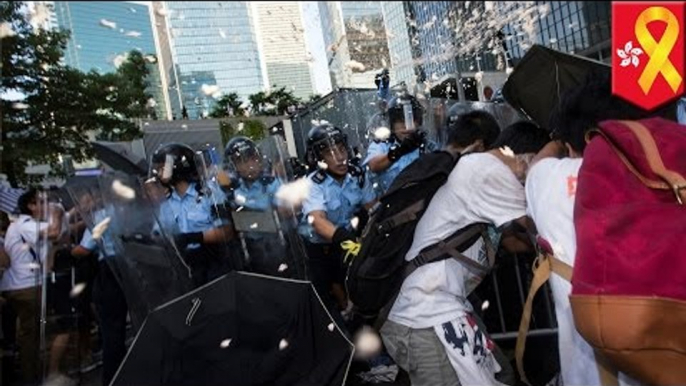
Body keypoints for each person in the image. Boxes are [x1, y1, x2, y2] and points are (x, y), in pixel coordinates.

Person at [381, 121, 549, 386]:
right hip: (423, 315)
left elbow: (513, 242)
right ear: (526, 159)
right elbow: (538, 224)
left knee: (501, 375)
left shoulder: (481, 169)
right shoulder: (490, 171)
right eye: (539, 167)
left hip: (445, 307)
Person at [525, 74, 649, 386]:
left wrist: (560, 134)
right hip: (666, 356)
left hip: (586, 369)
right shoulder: (659, 173)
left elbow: (538, 163)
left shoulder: (548, 179)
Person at [299, 124, 376, 321]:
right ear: (318, 158)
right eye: (331, 153)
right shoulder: (312, 184)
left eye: (341, 149)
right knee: (326, 296)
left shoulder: (357, 175)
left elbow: (372, 208)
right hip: (321, 247)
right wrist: (346, 241)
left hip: (348, 239)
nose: (340, 157)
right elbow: (318, 221)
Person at [150, 143, 236, 288]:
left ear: (178, 165)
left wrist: (194, 237)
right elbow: (157, 234)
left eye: (162, 168)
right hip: (186, 267)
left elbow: (226, 232)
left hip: (216, 263)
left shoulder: (209, 193)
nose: (159, 173)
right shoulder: (167, 204)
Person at [2, 189, 64, 385]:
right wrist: (57, 211)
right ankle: (30, 378)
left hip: (27, 284)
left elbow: (59, 234)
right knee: (30, 336)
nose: (46, 204)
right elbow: (54, 231)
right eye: (41, 202)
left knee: (33, 334)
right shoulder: (25, 225)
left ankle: (31, 373)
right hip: (25, 286)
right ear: (31, 206)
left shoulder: (29, 225)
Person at [71, 191, 126, 386]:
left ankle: (113, 376)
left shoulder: (101, 216)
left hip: (109, 270)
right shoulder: (125, 210)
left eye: (84, 200)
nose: (80, 205)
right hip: (127, 267)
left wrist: (68, 249)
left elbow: (85, 248)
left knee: (112, 327)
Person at [223, 136, 284, 275]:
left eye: (252, 159)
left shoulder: (271, 183)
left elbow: (283, 214)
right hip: (248, 247)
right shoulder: (231, 191)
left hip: (276, 243)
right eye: (241, 161)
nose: (249, 165)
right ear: (233, 166)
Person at [364, 93, 435, 194]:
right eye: (401, 121)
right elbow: (374, 165)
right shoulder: (382, 145)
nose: (406, 126)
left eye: (411, 120)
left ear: (418, 122)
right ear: (392, 124)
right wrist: (400, 151)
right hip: (392, 204)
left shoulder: (428, 146)